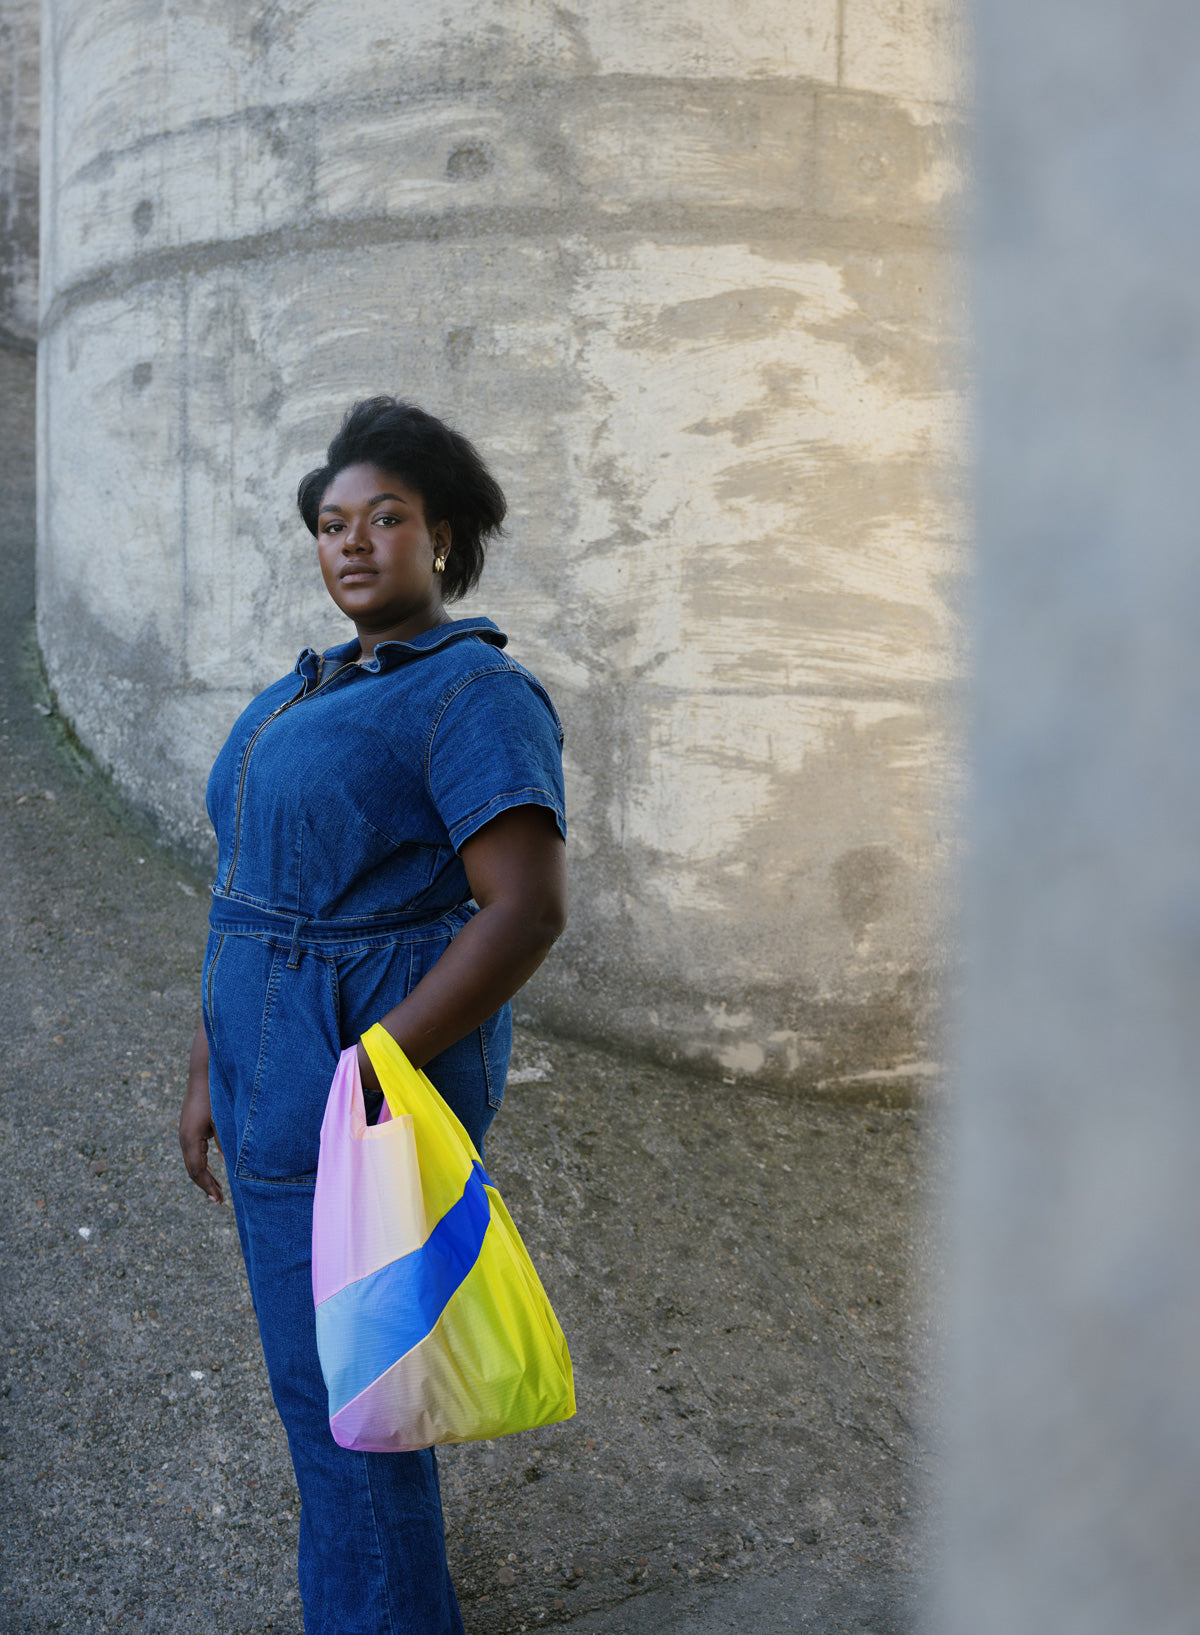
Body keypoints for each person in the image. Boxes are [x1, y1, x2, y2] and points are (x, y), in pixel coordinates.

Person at [178, 397, 568, 1634]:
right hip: (272, 1068)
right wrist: (208, 1065)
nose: (351, 543)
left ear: (441, 536)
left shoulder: (473, 693)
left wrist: (374, 1061)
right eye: (331, 524)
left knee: (348, 1404)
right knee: (337, 1392)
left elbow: (527, 907)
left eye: (384, 518)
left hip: (355, 1079)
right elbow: (251, 885)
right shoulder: (311, 687)